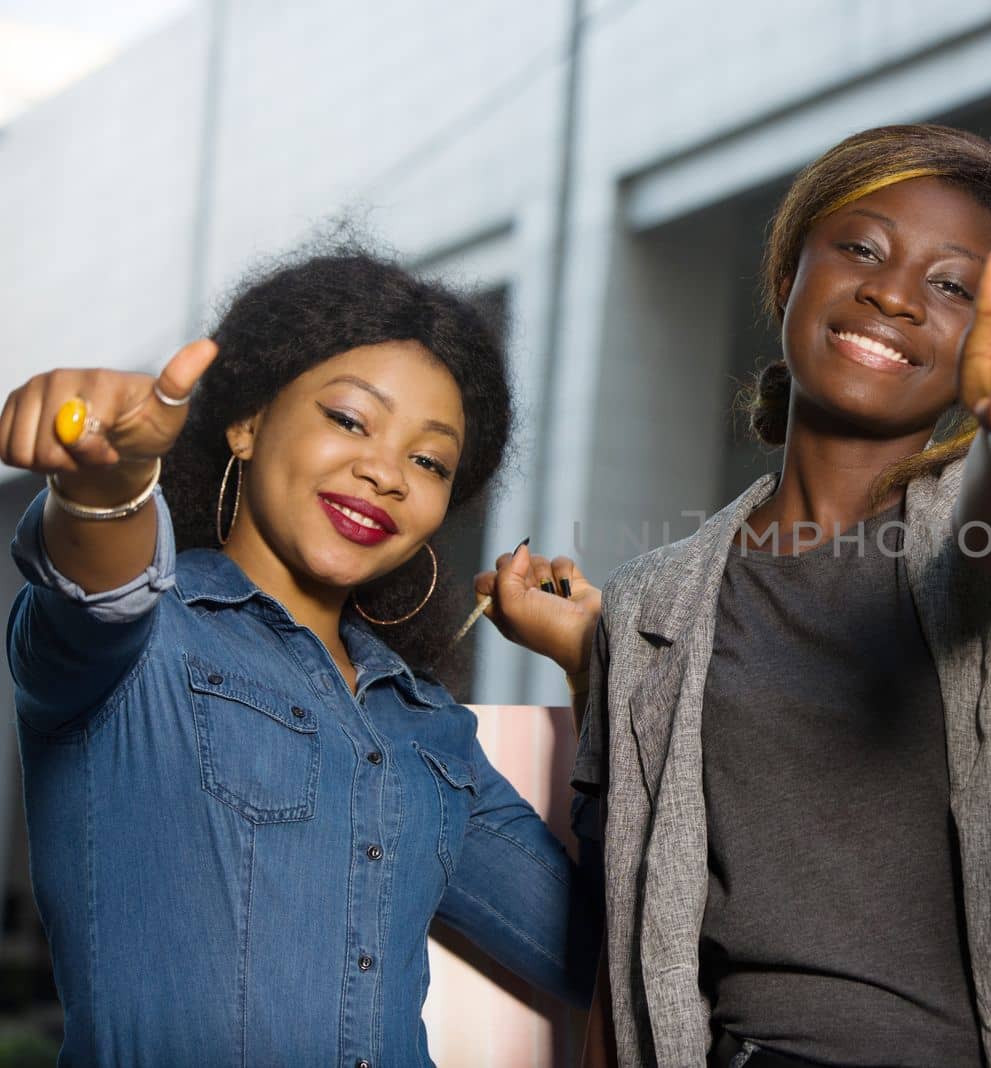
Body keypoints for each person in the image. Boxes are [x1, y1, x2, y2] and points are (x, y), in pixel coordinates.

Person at [567, 125, 991, 1068]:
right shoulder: (650, 605)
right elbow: (619, 947)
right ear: (790, 274)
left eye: (952, 286)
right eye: (860, 249)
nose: (894, 293)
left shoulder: (981, 543)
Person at [2, 251, 602, 1066]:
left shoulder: (428, 730)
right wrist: (105, 489)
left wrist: (592, 673)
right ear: (246, 423)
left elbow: (605, 957)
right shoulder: (146, 643)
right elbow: (96, 586)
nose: (385, 473)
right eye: (351, 420)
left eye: (428, 462)